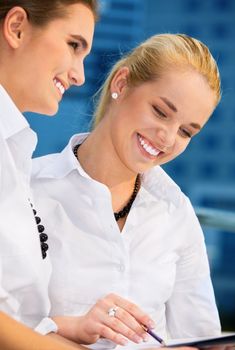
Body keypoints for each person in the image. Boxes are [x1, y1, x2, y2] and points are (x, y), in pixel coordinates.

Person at [31, 33, 222, 349]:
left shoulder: (177, 212)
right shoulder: (28, 187)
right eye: (161, 111)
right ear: (121, 83)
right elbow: (7, 322)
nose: (167, 137)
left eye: (186, 131)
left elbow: (202, 339)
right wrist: (71, 326)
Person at [0, 1, 98, 349]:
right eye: (74, 46)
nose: (79, 75)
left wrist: (64, 327)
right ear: (16, 28)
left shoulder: (14, 147)